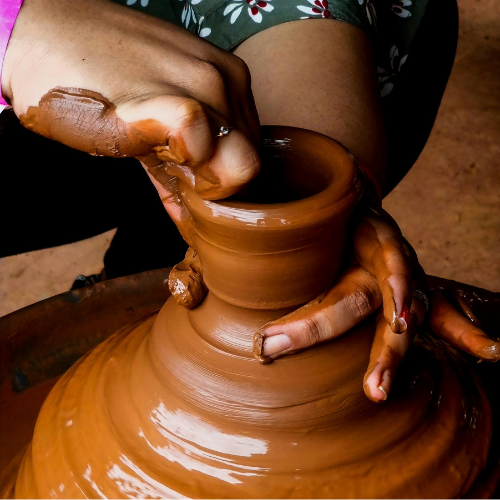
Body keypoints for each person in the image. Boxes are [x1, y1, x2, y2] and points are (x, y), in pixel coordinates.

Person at [0, 0, 498, 402]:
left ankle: (149, 297)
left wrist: (320, 214)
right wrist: (16, 31)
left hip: (250, 67)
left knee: (219, 176)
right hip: (38, 100)